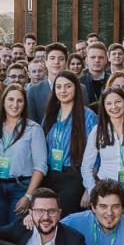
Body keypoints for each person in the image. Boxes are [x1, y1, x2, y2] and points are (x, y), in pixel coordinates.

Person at [0, 84, 47, 228]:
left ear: (24, 104)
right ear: (3, 102)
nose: (15, 104)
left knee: (16, 231)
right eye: (11, 99)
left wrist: (28, 196)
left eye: (20, 101)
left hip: (20, 189)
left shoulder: (34, 129)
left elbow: (40, 167)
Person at [41, 71, 97, 216]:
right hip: (49, 174)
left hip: (74, 176)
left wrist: (89, 188)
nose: (63, 91)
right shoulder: (50, 114)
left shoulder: (88, 116)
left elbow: (96, 155)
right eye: (58, 87)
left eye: (68, 86)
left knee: (63, 218)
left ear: (76, 88)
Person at [82, 87, 124, 208]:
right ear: (104, 107)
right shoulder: (97, 131)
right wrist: (93, 191)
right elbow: (86, 166)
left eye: (118, 101)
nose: (114, 106)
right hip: (105, 193)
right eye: (109, 103)